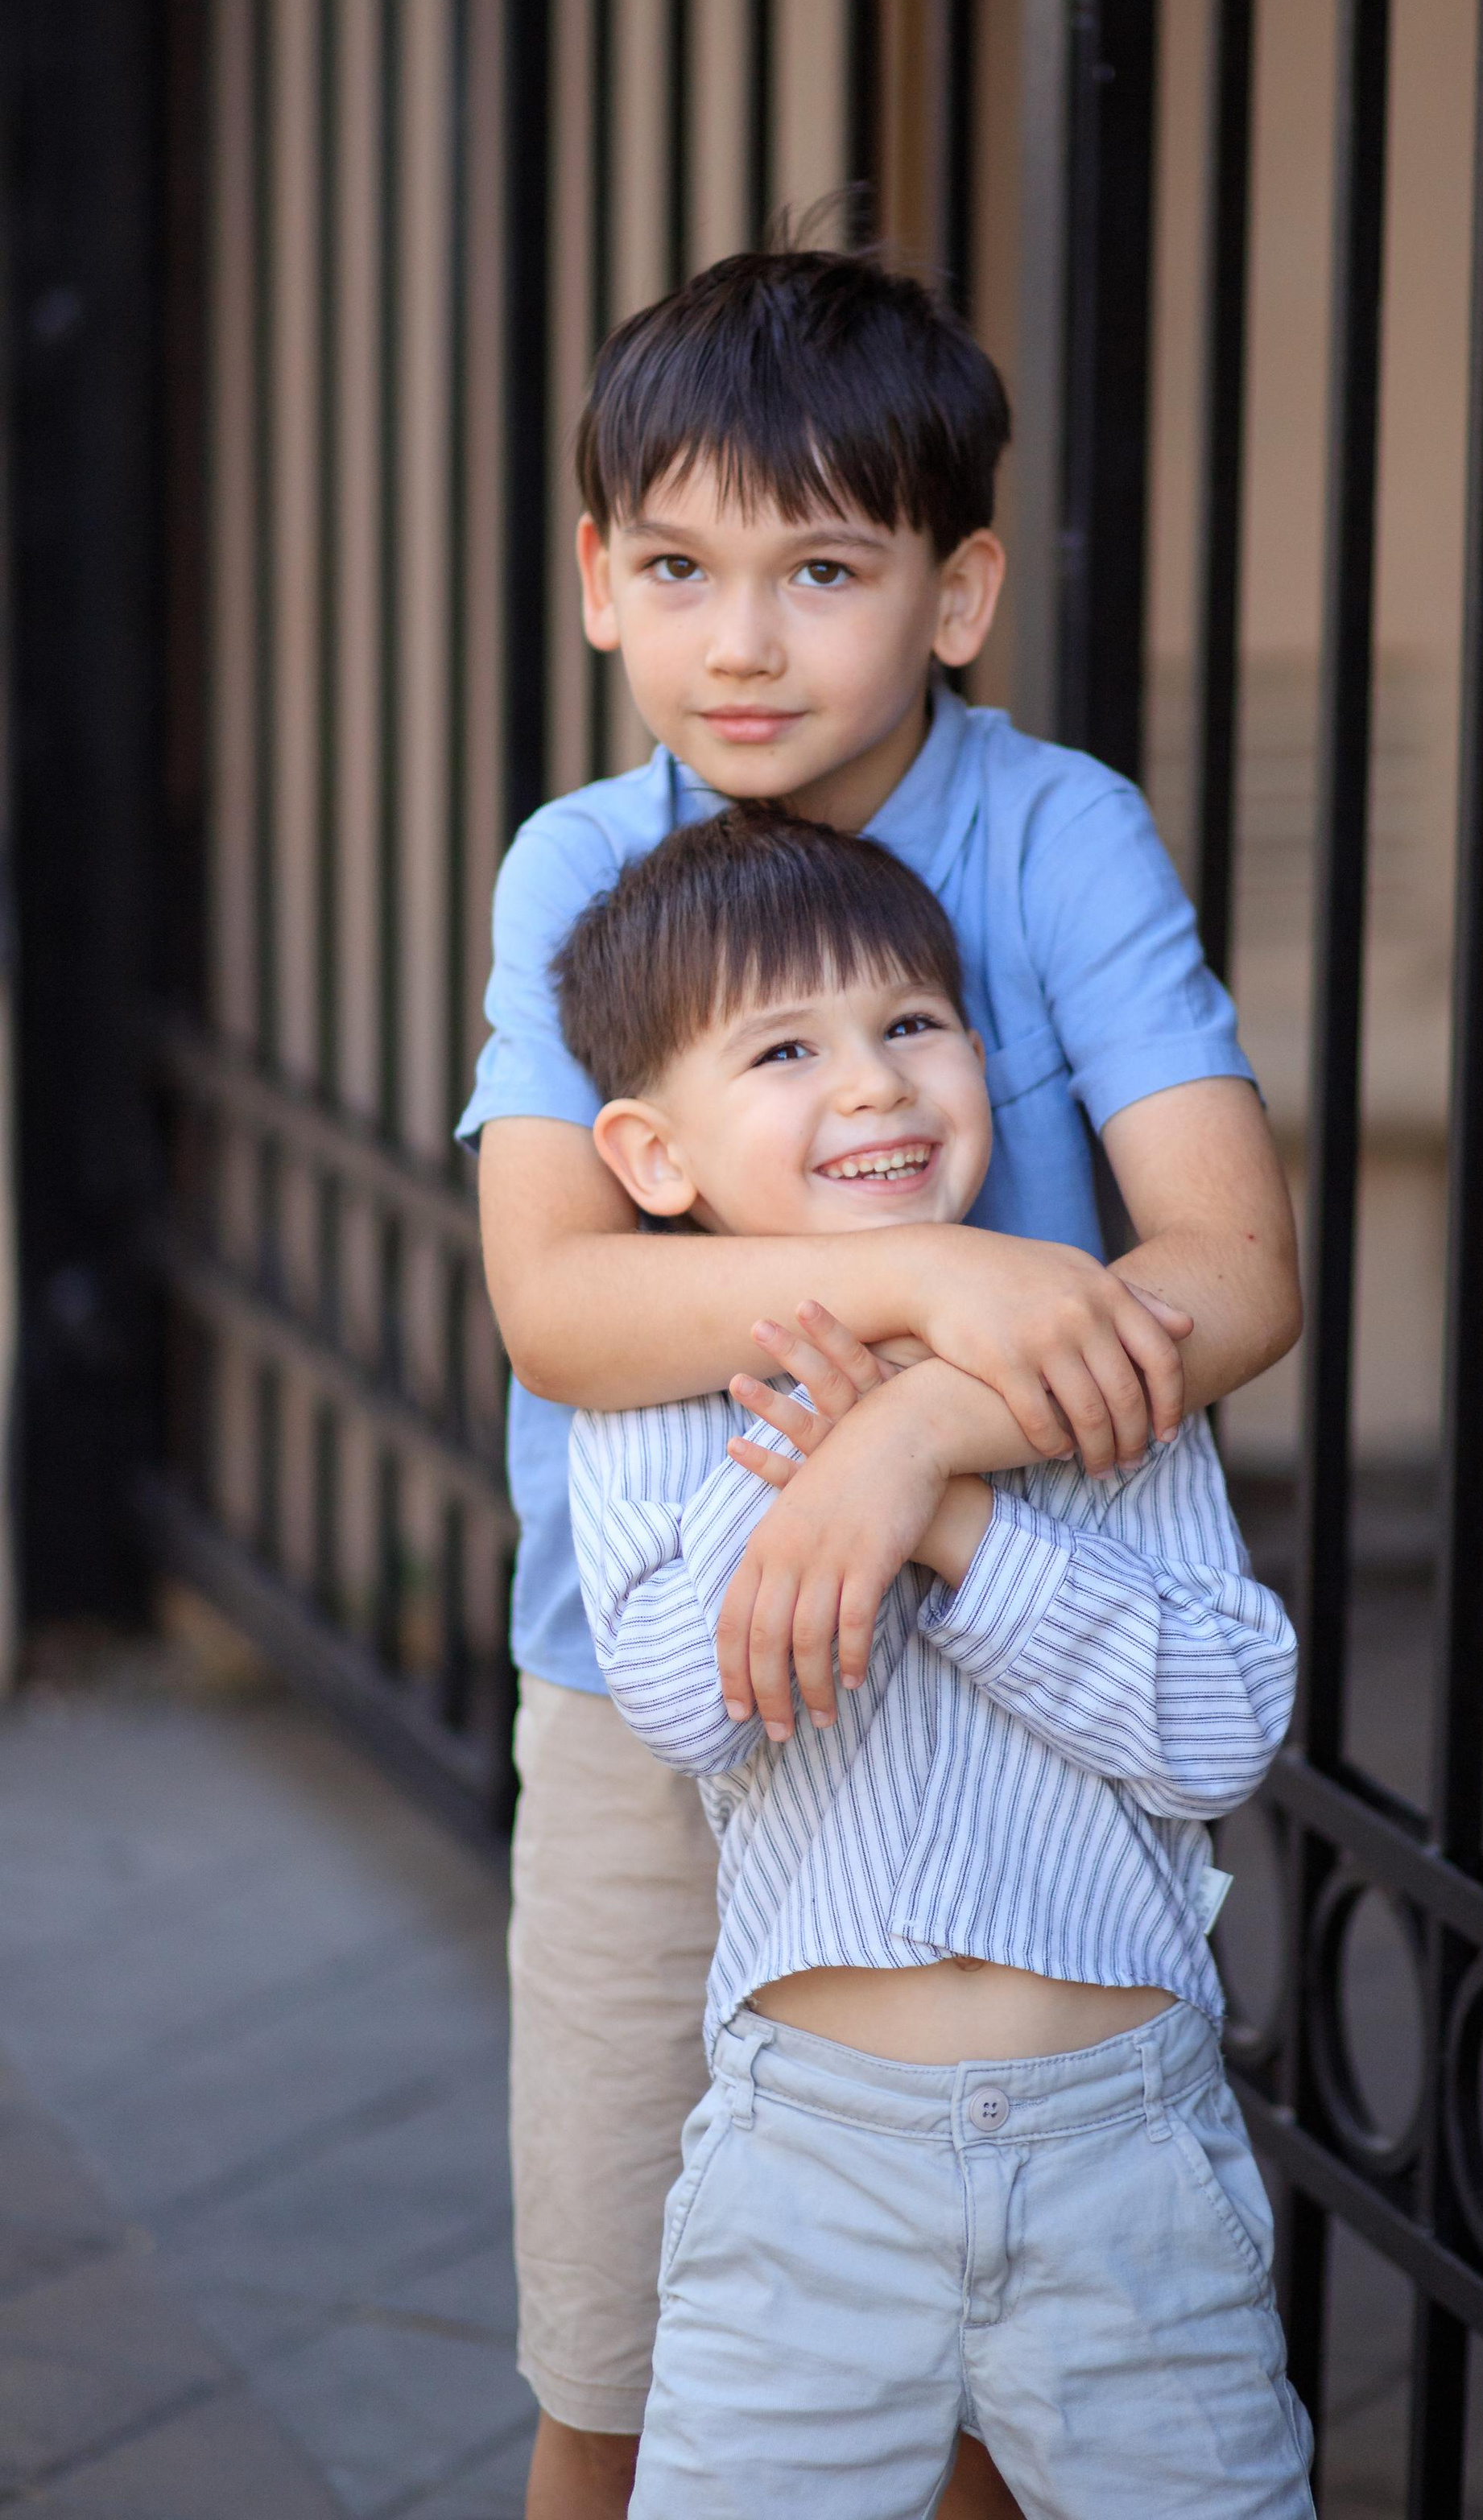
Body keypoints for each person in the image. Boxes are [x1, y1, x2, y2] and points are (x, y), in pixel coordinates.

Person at [459, 249, 1302, 2520]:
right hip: (657, 1696)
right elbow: (560, 1304)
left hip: (1015, 1681)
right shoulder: (586, 866)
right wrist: (949, 1276)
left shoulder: (1055, 837)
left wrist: (918, 1435)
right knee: (631, 2354)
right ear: (597, 584)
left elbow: (1231, 1270)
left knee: (997, 2355)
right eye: (680, 568)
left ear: (955, 592)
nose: (742, 640)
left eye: (821, 568)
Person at [557, 806, 1314, 2514]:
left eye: (911, 1024)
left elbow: (1216, 1726)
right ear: (654, 1158)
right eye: (786, 1048)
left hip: (1124, 2149)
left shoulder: (1093, 1358)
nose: (878, 1083)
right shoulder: (664, 1402)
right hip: (809, 2162)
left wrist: (942, 1500)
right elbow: (692, 1700)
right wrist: (819, 1481)